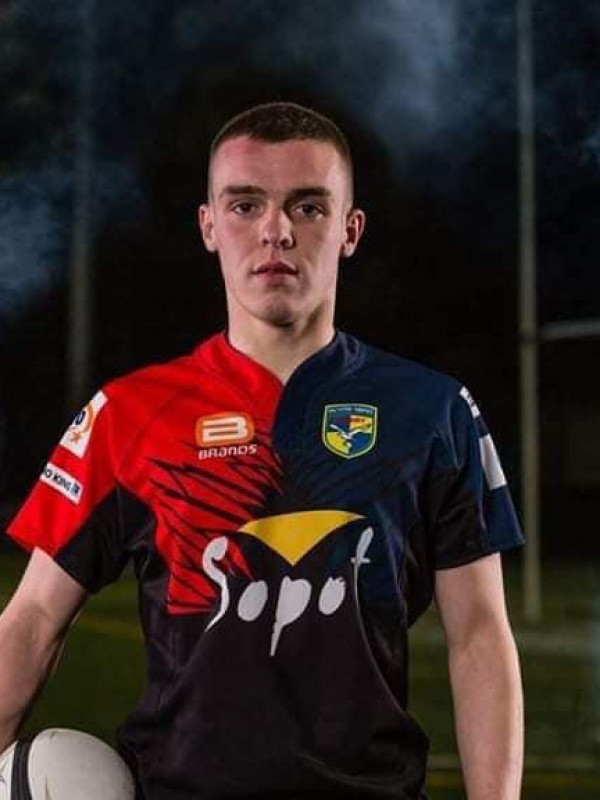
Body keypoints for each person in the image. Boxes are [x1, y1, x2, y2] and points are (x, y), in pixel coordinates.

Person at [0, 101, 524, 799]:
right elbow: (34, 618)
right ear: (208, 226)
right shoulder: (129, 415)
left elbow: (480, 635)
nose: (276, 231)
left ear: (350, 229)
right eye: (245, 206)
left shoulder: (434, 412)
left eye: (308, 207)